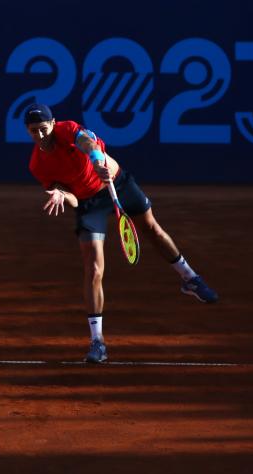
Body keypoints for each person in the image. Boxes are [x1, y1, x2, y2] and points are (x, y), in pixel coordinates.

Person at [23, 103, 218, 364]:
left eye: (44, 128)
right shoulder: (37, 164)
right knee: (93, 269)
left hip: (117, 183)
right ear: (28, 131)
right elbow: (73, 199)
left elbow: (88, 143)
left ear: (53, 124)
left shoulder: (67, 129)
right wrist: (61, 194)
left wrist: (98, 162)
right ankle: (97, 342)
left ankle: (189, 278)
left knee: (152, 230)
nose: (40, 135)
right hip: (88, 203)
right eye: (34, 131)